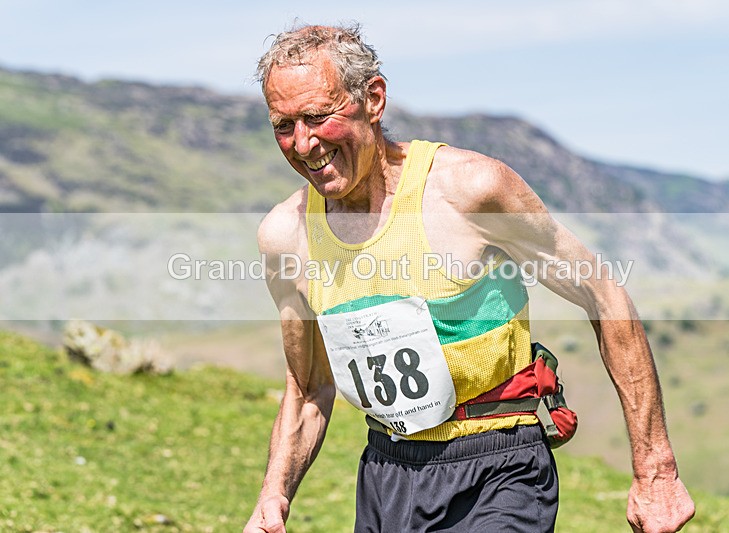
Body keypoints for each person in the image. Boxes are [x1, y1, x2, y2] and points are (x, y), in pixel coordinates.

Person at [244, 23, 695, 533]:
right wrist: (273, 496)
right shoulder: (286, 236)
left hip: (499, 465)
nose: (303, 143)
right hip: (388, 474)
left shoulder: (469, 190)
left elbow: (602, 293)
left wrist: (656, 470)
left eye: (317, 117)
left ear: (373, 99)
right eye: (284, 125)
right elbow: (308, 388)